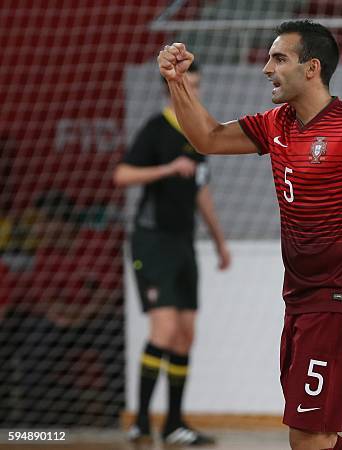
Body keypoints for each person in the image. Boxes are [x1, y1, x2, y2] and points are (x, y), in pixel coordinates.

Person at [158, 20, 342, 450]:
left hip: (340, 300)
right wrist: (177, 82)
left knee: (309, 438)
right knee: (314, 440)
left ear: (311, 68)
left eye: (279, 59)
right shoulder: (278, 122)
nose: (266, 69)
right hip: (298, 300)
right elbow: (207, 137)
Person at [114, 62, 231, 446]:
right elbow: (123, 175)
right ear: (172, 89)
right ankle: (141, 421)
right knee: (163, 330)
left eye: (197, 85)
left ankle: (175, 423)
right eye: (187, 86)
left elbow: (202, 192)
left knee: (185, 335)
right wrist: (167, 168)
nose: (193, 93)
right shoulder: (156, 128)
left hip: (183, 243)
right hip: (153, 241)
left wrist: (218, 241)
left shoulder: (199, 134)